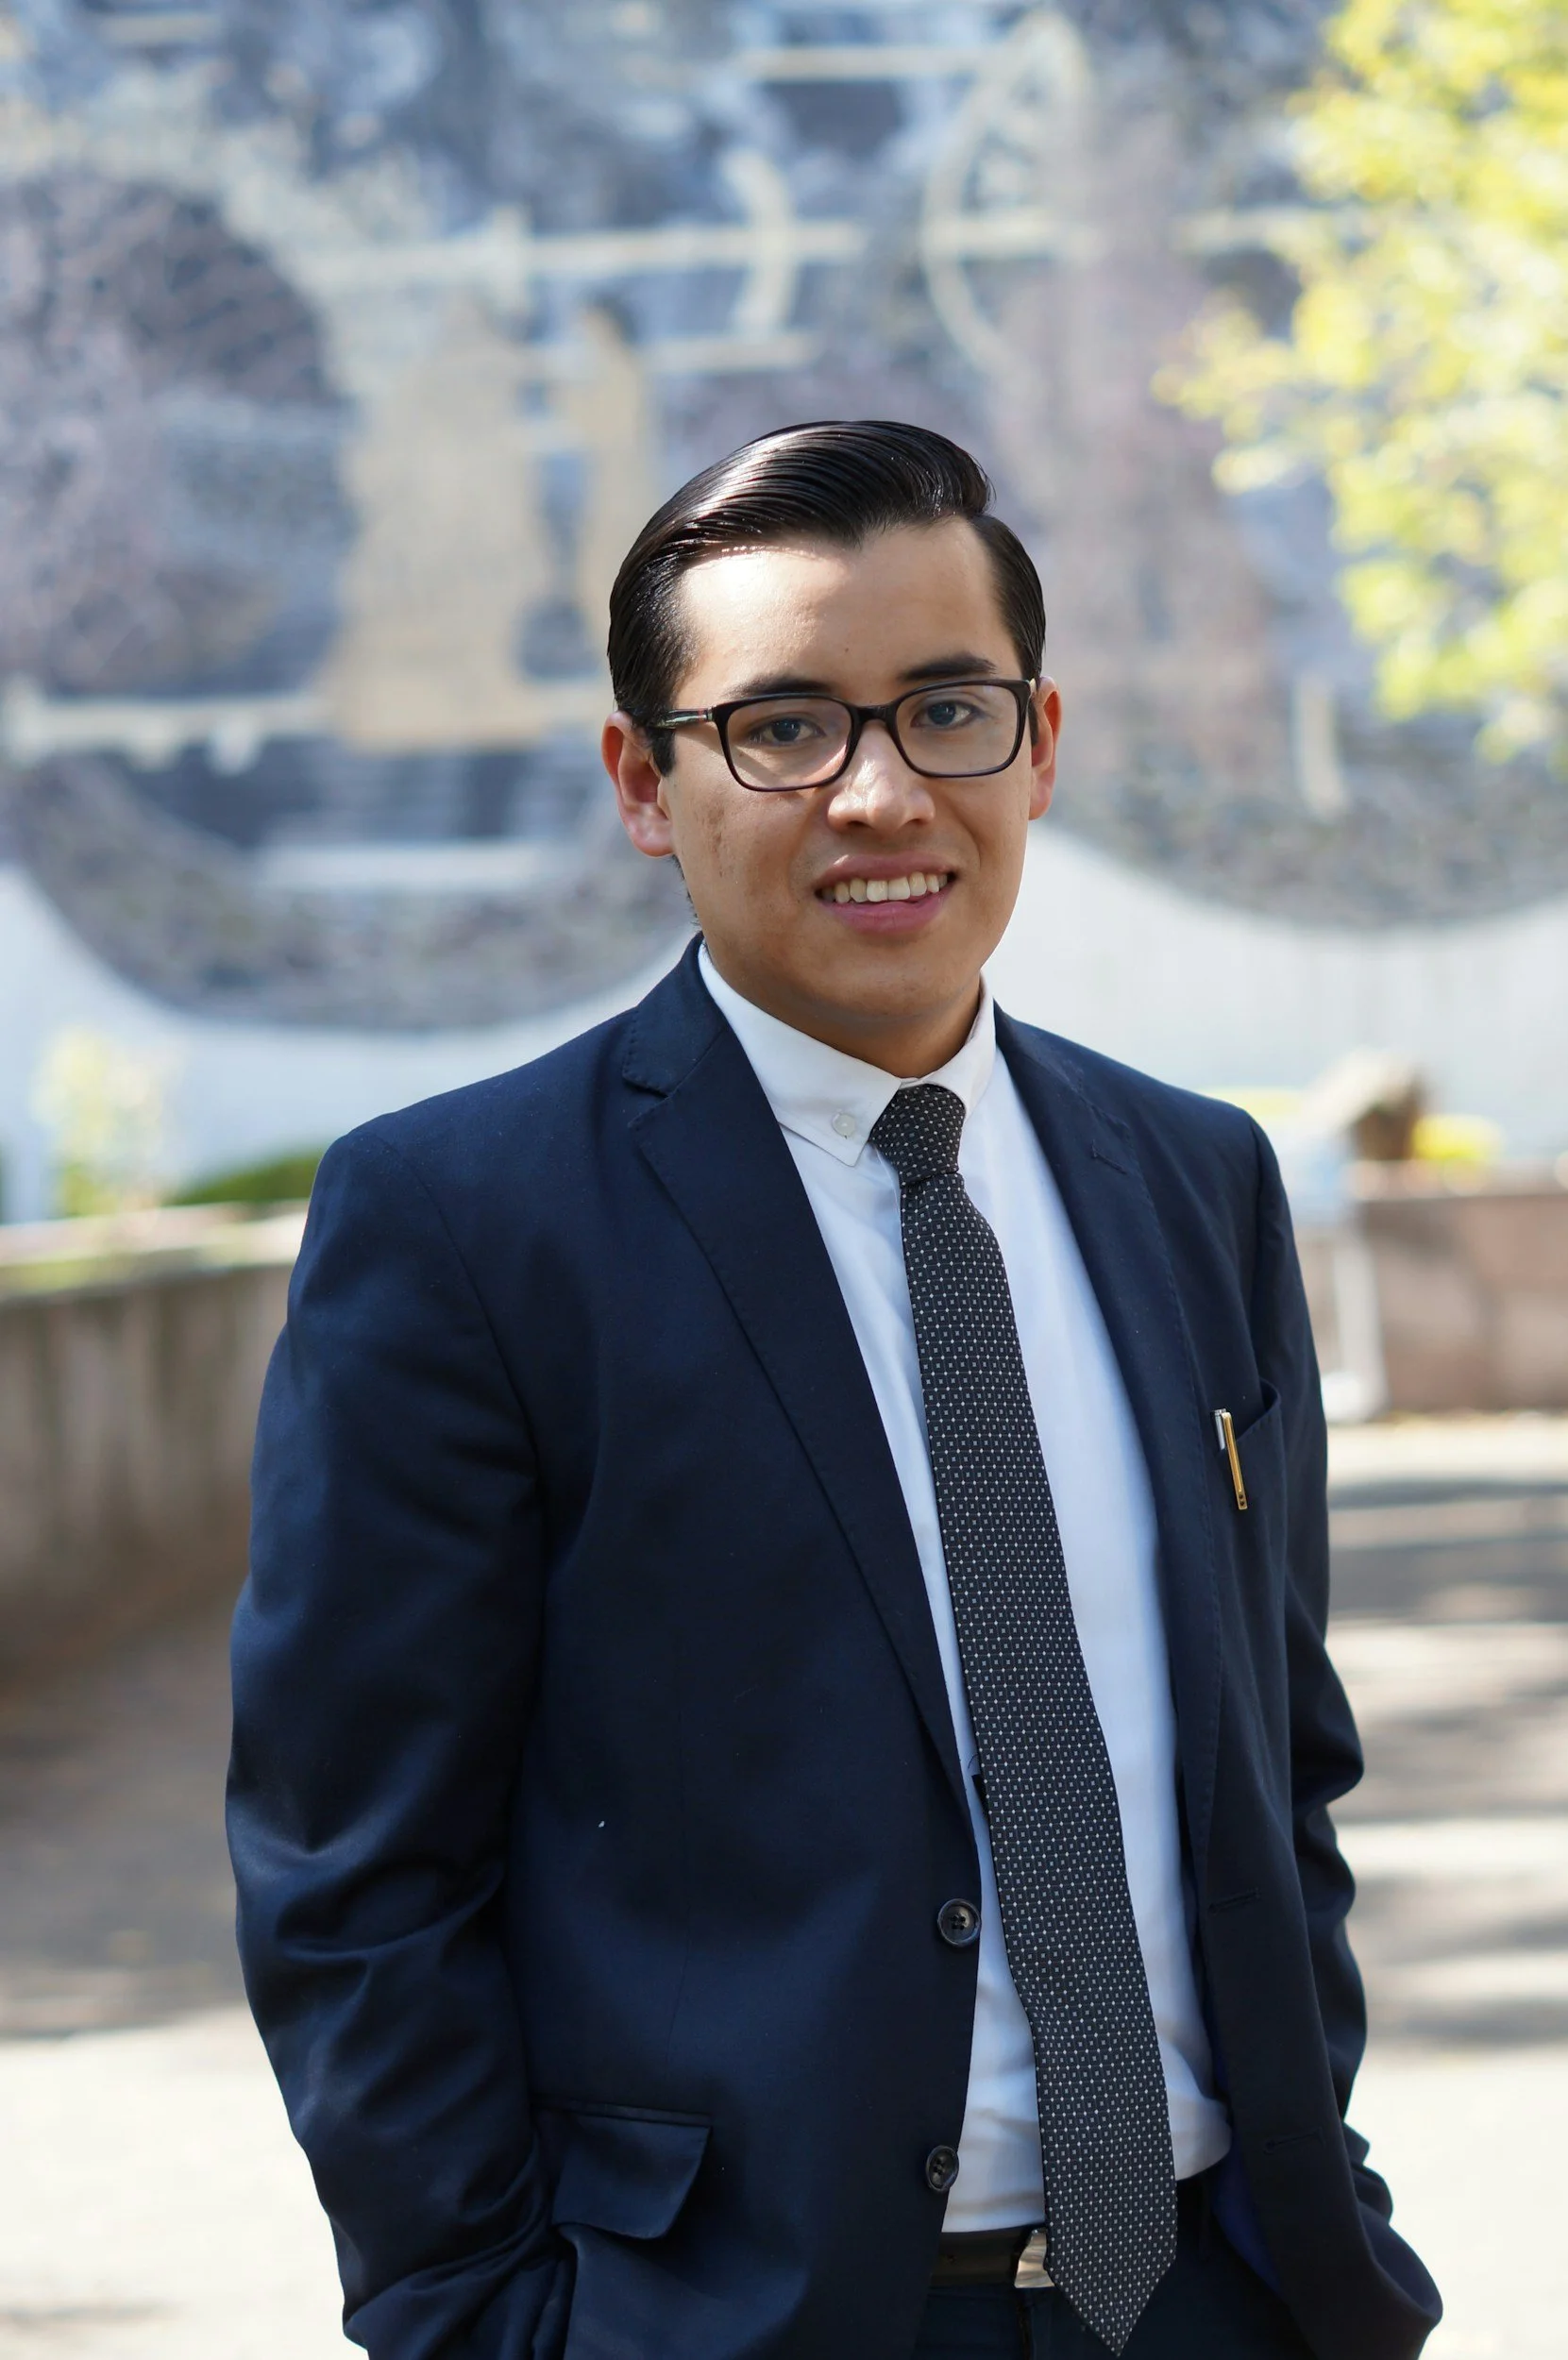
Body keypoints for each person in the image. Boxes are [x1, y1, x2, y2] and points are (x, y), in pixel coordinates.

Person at [228, 420, 1440, 2360]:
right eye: (779, 727)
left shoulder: (1193, 1181)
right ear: (645, 781)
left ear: (1038, 740)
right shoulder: (462, 1224)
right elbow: (356, 1873)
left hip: (1222, 2288)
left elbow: (1271, 1764)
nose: (879, 793)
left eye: (944, 707)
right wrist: (481, 2321)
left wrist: (1325, 2202)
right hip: (735, 2318)